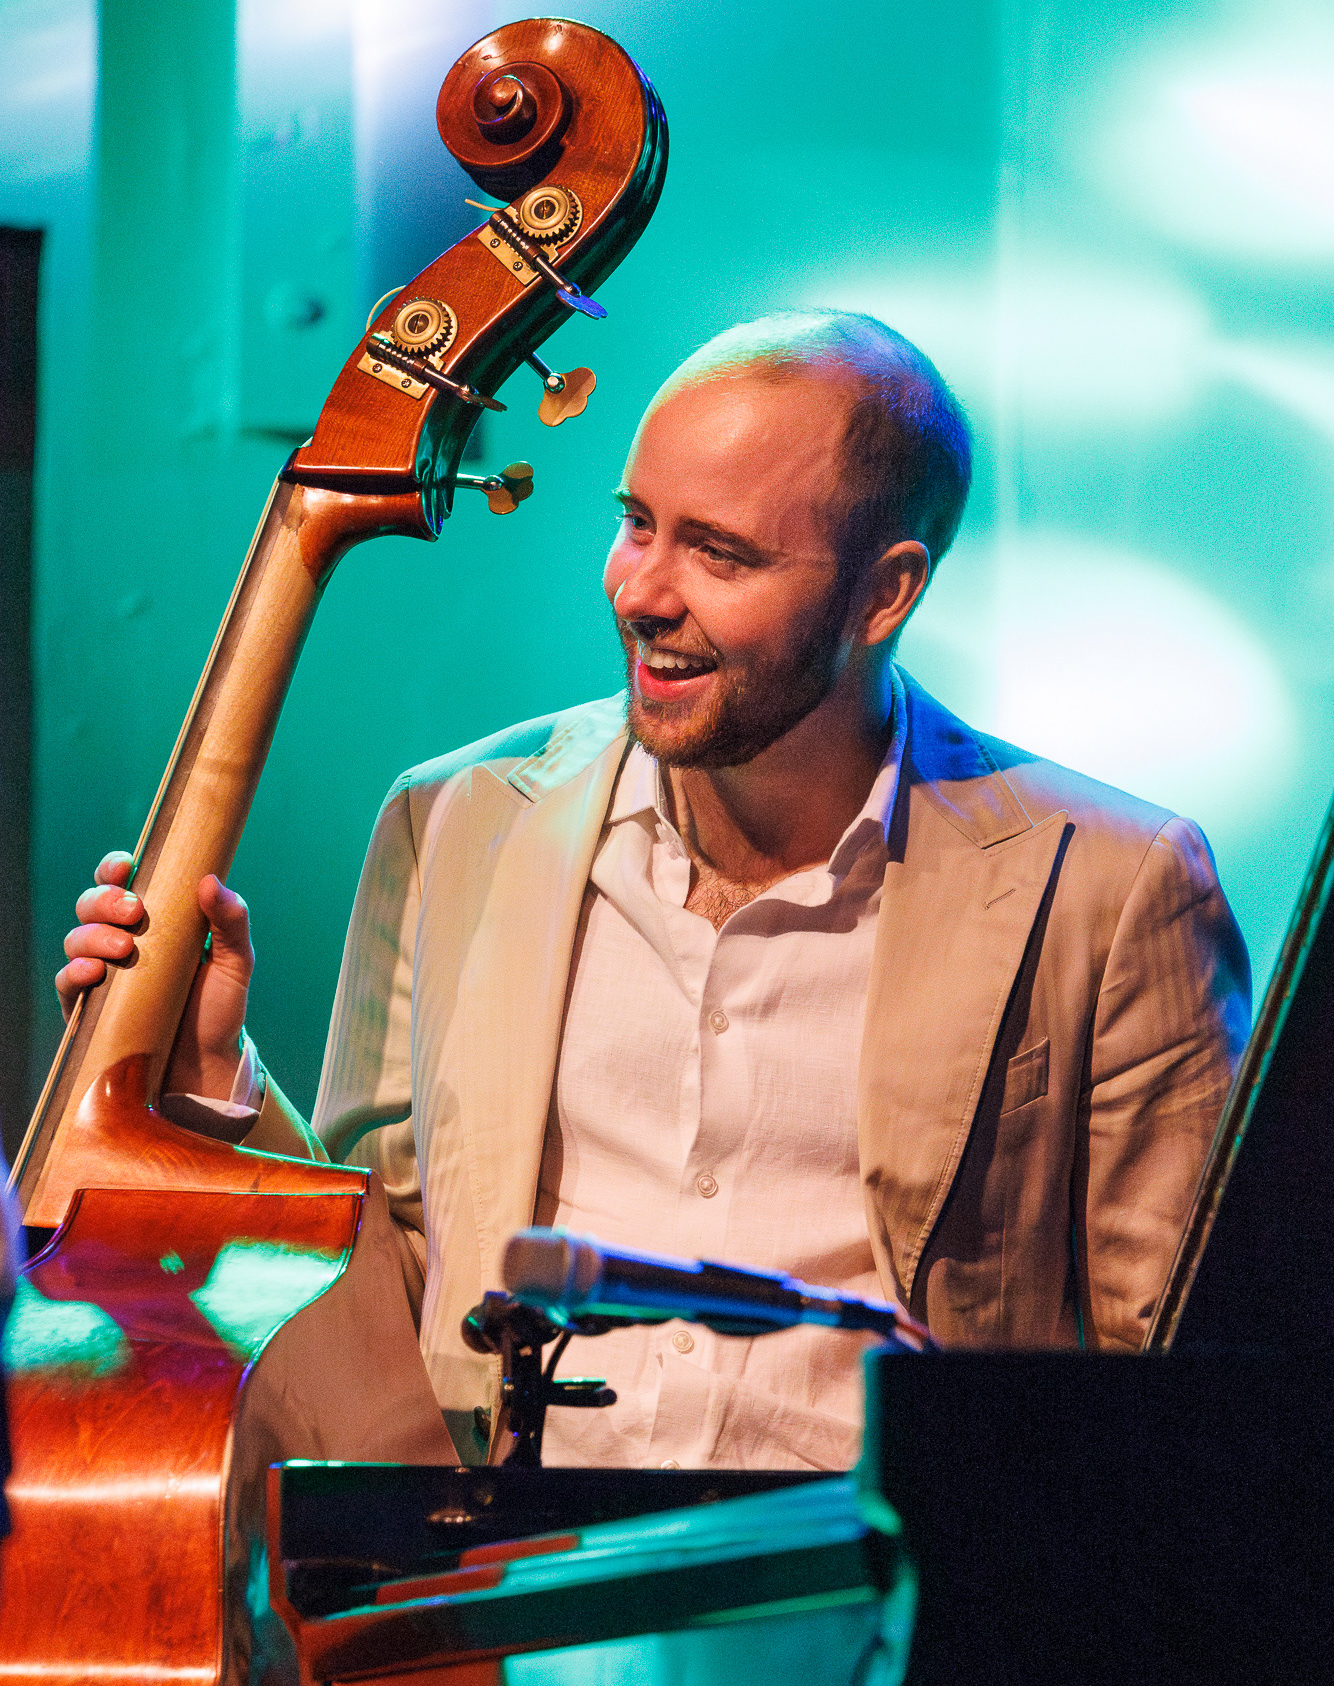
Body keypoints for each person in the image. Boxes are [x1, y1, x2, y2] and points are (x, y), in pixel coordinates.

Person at [58, 311, 1250, 1471]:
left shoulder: (1108, 883)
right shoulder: (455, 819)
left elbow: (1184, 1381)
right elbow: (397, 1294)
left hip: (877, 1589)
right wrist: (214, 1074)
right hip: (522, 1581)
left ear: (884, 593)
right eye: (636, 524)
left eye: (720, 552)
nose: (642, 591)